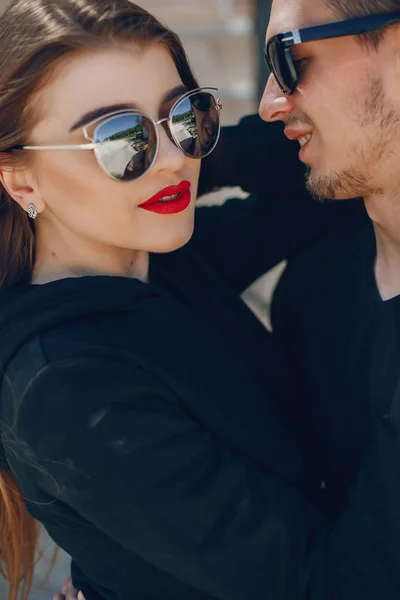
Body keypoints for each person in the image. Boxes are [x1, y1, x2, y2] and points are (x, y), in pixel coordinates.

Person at [0, 1, 399, 600]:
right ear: (20, 180)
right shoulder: (67, 386)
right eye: (119, 138)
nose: (171, 160)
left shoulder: (155, 259)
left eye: (186, 115)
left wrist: (203, 156)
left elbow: (332, 168)